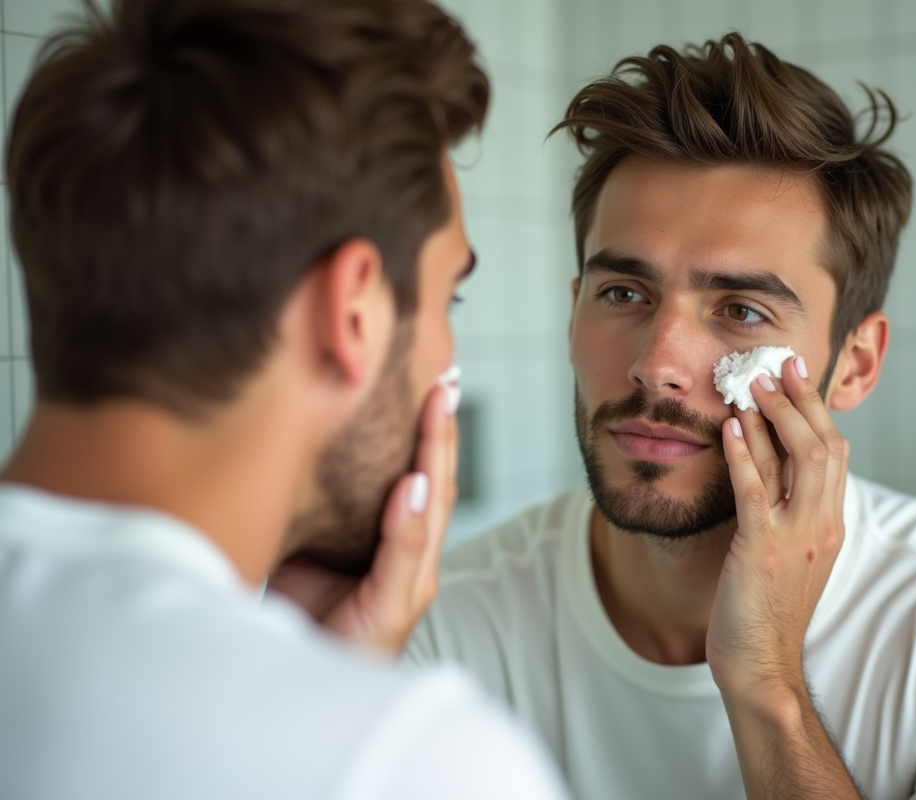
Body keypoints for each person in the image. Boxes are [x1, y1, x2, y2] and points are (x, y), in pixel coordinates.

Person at [404, 33, 916, 800]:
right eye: (624, 294)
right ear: (573, 317)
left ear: (856, 363)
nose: (657, 363)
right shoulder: (446, 618)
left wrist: (769, 687)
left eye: (741, 310)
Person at [0, 0, 567, 798]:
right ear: (355, 312)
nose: (447, 358)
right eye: (450, 301)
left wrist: (325, 672)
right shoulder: (418, 760)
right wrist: (342, 708)